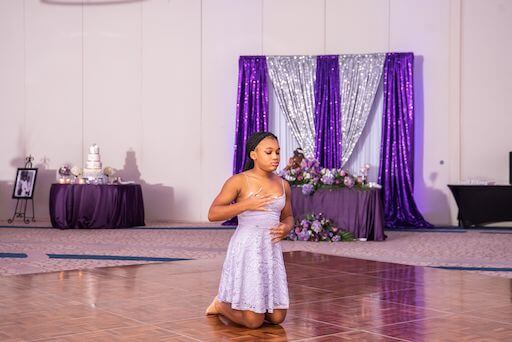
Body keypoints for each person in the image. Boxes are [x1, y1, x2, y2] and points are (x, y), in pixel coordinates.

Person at [205, 132, 294, 329]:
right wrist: (246, 204)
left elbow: (288, 216)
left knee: (278, 317)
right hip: (248, 248)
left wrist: (286, 227)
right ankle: (220, 304)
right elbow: (213, 214)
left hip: (270, 249)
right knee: (253, 322)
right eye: (269, 152)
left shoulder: (283, 185)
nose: (275, 157)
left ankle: (256, 307)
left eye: (278, 152)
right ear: (253, 154)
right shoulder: (239, 181)